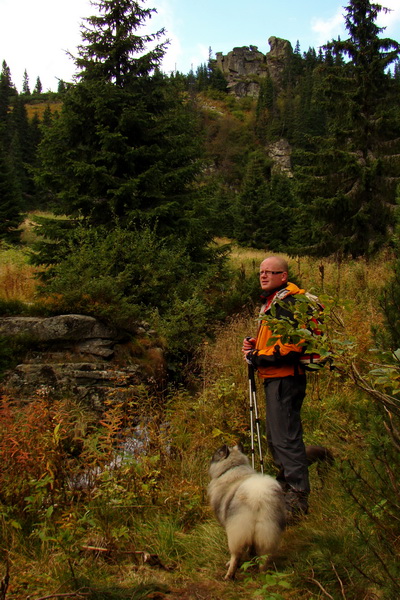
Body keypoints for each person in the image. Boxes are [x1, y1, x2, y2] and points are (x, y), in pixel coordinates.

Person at [242, 255, 310, 522]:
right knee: (276, 437)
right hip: (275, 377)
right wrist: (255, 345)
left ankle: (297, 496)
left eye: (271, 272)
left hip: (285, 378)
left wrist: (257, 357)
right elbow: (277, 340)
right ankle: (285, 486)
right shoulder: (275, 302)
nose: (264, 275)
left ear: (284, 276)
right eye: (261, 271)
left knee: (285, 438)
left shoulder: (289, 303)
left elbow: (294, 346)